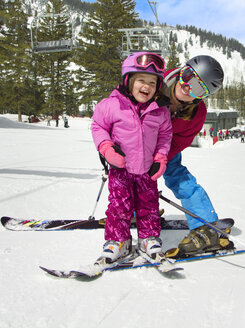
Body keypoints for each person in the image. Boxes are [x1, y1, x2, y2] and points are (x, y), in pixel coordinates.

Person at [91, 52, 172, 265]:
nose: (146, 86)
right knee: (119, 207)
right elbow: (98, 126)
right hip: (121, 169)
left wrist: (160, 157)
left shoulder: (160, 111)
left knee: (149, 206)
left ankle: (147, 239)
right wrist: (107, 148)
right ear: (129, 81)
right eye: (141, 81)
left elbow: (165, 136)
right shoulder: (111, 105)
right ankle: (119, 242)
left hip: (147, 169)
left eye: (152, 83)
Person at [155, 55, 226, 256]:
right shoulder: (155, 83)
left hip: (168, 146)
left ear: (202, 96)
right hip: (139, 141)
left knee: (178, 176)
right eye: (188, 77)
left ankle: (205, 226)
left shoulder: (197, 113)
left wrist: (160, 157)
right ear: (182, 72)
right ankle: (137, 211)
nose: (187, 87)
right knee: (133, 176)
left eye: (197, 88)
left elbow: (180, 141)